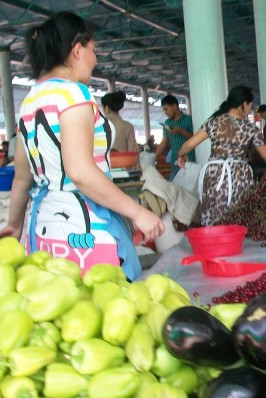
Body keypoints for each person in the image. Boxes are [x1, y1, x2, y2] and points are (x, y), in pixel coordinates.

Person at [0, 12, 163, 280]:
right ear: (77, 50)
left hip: (43, 231)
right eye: (93, 50)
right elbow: (80, 171)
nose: (95, 59)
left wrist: (14, 226)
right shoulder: (73, 95)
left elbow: (21, 177)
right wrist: (137, 212)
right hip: (84, 233)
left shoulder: (30, 101)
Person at [177, 86, 266, 226]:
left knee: (214, 212)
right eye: (250, 106)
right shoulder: (250, 128)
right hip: (239, 175)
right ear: (243, 104)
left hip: (215, 175)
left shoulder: (213, 122)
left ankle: (214, 242)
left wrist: (180, 155)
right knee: (238, 214)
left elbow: (189, 144)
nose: (250, 109)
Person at [155, 94, 194, 180]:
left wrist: (181, 131)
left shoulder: (189, 120)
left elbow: (195, 138)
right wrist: (153, 158)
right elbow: (164, 143)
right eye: (163, 110)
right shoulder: (167, 123)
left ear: (175, 106)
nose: (165, 112)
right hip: (175, 162)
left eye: (166, 109)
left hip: (190, 162)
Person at [101, 91, 140, 167]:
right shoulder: (127, 126)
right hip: (123, 170)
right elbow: (133, 152)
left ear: (106, 108)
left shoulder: (96, 125)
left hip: (101, 170)